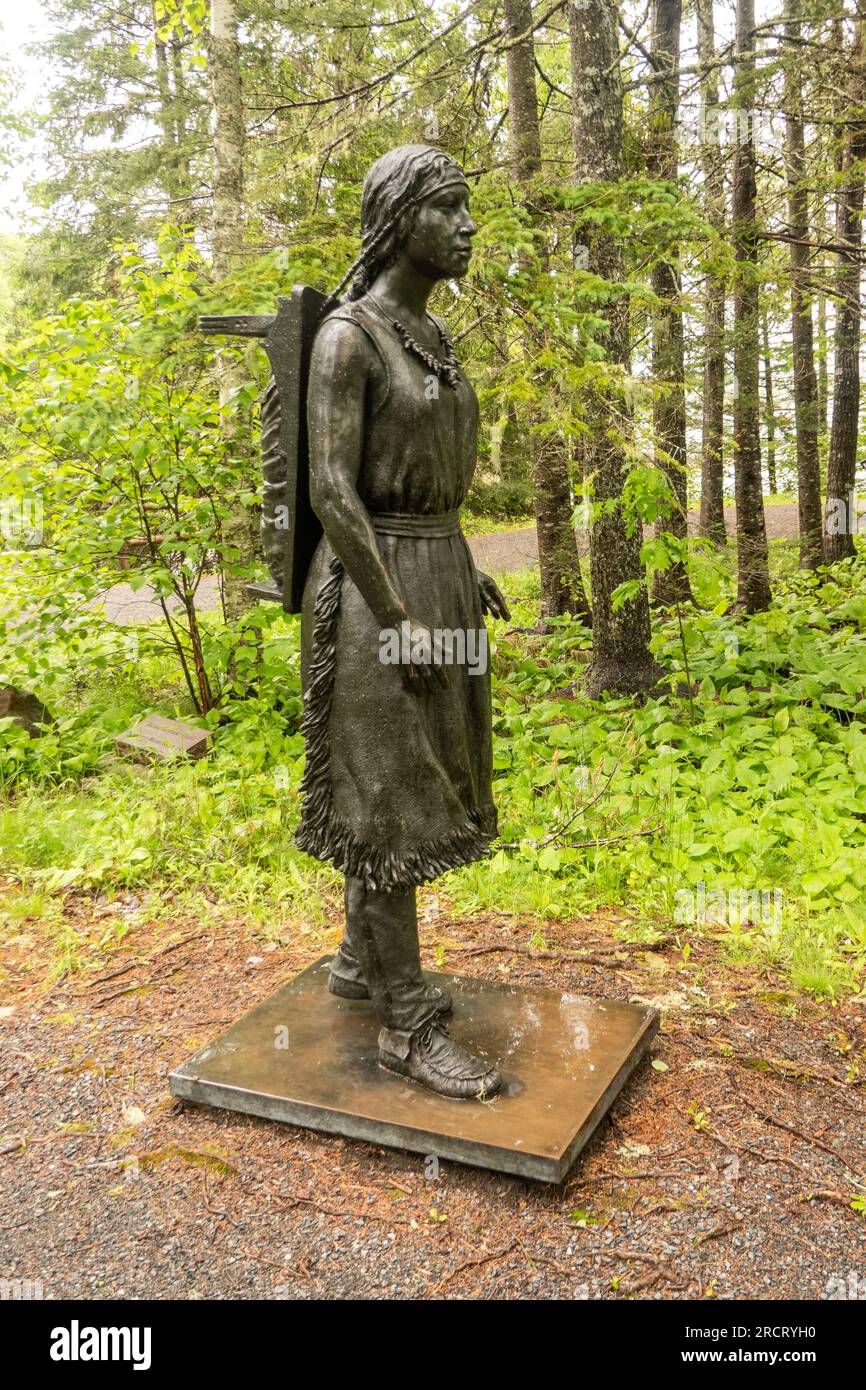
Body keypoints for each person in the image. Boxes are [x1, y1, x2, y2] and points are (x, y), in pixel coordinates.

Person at [295, 144, 510, 1100]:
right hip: (375, 590)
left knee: (429, 771)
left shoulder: (433, 334)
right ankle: (406, 1027)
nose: (468, 225)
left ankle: (357, 960)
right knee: (388, 796)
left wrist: (461, 574)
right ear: (401, 218)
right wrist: (399, 616)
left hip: (438, 571)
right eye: (452, 208)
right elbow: (334, 491)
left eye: (469, 209)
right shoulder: (350, 338)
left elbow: (435, 476)